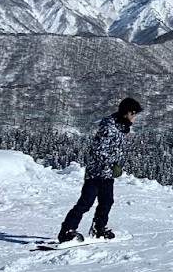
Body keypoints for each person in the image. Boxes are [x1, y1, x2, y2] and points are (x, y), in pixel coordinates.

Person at [57, 97, 142, 243]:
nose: (134, 117)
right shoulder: (109, 127)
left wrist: (115, 165)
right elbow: (98, 150)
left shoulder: (120, 127)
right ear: (126, 112)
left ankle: (99, 229)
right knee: (85, 203)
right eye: (133, 113)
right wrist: (112, 164)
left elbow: (115, 149)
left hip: (106, 174)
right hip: (96, 172)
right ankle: (67, 231)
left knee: (107, 202)